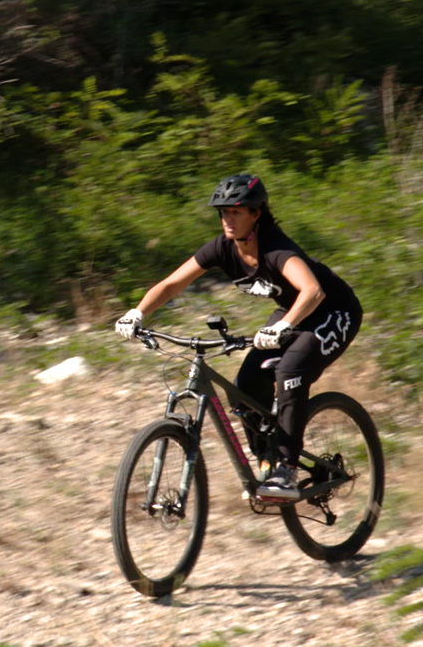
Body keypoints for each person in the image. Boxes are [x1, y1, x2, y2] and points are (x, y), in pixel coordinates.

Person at [114, 174, 362, 500]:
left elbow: (313, 291)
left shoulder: (276, 249)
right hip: (292, 314)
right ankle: (266, 464)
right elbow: (172, 284)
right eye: (223, 213)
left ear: (256, 213)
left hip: (333, 311)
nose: (227, 220)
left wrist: (282, 326)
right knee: (246, 385)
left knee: (291, 374)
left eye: (236, 212)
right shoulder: (223, 247)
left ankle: (286, 471)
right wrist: (138, 312)